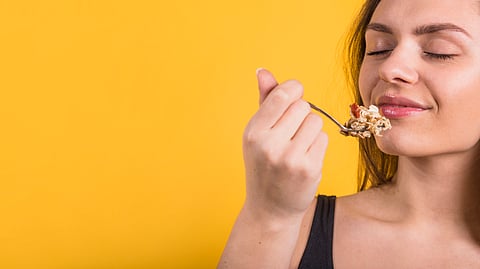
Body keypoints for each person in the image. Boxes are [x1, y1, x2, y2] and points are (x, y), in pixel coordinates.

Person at [218, 0, 480, 267]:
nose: (389, 69)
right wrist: (268, 216)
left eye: (439, 52)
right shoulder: (291, 230)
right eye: (380, 49)